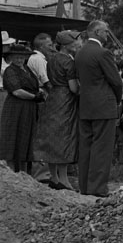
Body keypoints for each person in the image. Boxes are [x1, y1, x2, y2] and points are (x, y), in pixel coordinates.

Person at [76, 20, 123, 197]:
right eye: (105, 32)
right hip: (104, 104)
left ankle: (84, 186)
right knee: (102, 148)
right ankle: (97, 188)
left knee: (86, 147)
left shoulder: (80, 53)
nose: (107, 35)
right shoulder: (103, 53)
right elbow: (116, 81)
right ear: (96, 32)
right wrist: (117, 99)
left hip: (86, 104)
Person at [34, 29, 81, 190]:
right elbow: (73, 87)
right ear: (67, 45)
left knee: (51, 137)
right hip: (66, 99)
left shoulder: (51, 59)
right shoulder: (68, 61)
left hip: (53, 97)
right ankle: (64, 179)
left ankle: (53, 177)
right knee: (64, 136)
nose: (78, 43)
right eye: (75, 41)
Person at [0, 44, 44, 173]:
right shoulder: (10, 70)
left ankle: (24, 173)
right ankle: (12, 172)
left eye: (22, 57)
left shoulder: (26, 69)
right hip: (16, 107)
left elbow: (34, 85)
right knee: (14, 135)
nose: (20, 60)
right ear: (11, 57)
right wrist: (34, 97)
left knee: (26, 137)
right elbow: (17, 91)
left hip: (28, 107)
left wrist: (39, 93)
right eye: (17, 57)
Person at [27, 32, 54, 184]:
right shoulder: (38, 59)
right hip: (43, 98)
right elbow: (46, 81)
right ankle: (42, 174)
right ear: (41, 46)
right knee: (43, 136)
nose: (51, 48)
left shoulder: (36, 58)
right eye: (49, 45)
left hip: (40, 98)